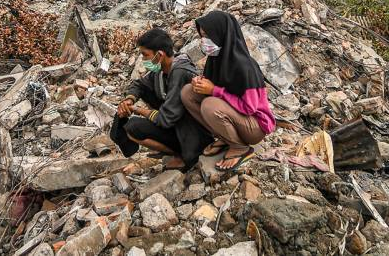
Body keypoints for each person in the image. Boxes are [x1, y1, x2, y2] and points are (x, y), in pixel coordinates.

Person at [181, 11, 276, 171]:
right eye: (202, 36)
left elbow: (249, 108)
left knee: (209, 105)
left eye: (208, 36)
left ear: (222, 34)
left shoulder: (244, 66)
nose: (204, 41)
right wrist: (200, 83)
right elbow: (212, 83)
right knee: (188, 92)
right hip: (236, 117)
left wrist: (214, 90)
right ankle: (226, 137)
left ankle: (240, 148)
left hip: (255, 125)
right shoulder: (216, 58)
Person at [110, 28, 213, 170]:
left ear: (159, 55)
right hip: (175, 122)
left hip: (193, 131)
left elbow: (166, 119)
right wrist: (129, 100)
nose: (144, 60)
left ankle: (185, 153)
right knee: (130, 126)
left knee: (134, 127)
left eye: (145, 55)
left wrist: (137, 110)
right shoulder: (161, 70)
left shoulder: (180, 72)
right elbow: (139, 84)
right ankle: (177, 148)